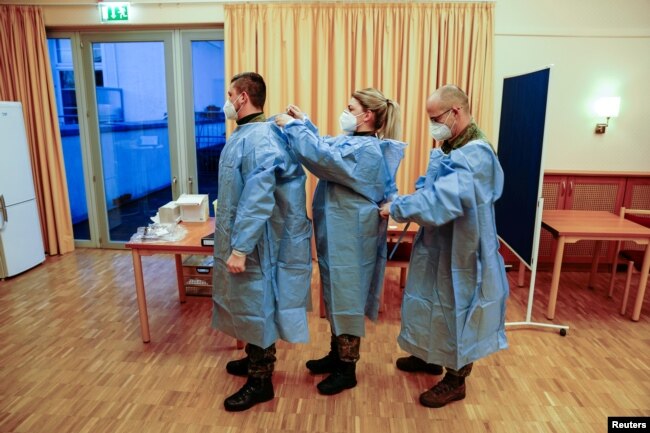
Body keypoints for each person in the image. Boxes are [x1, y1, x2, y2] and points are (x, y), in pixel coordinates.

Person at [379, 84, 509, 408]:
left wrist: (398, 208)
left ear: (456, 112)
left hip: (462, 249)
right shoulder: (451, 144)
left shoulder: (476, 155)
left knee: (458, 309)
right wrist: (411, 197)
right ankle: (429, 356)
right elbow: (430, 185)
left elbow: (441, 201)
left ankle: (456, 380)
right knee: (428, 300)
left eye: (435, 117)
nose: (432, 125)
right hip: (439, 244)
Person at [275, 88, 406, 395]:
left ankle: (347, 368)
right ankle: (337, 354)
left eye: (350, 108)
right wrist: (305, 123)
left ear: (367, 115)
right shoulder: (355, 142)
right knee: (336, 292)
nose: (345, 112)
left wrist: (293, 128)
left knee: (346, 296)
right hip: (340, 230)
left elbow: (323, 158)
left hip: (352, 234)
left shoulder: (367, 151)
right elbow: (326, 146)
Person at [212, 72, 313, 412]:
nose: (226, 100)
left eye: (230, 94)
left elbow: (257, 198)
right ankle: (254, 355)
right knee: (247, 302)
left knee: (259, 303)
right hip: (248, 236)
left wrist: (240, 247)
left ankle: (261, 380)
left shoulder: (260, 139)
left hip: (259, 242)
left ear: (242, 97)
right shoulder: (247, 134)